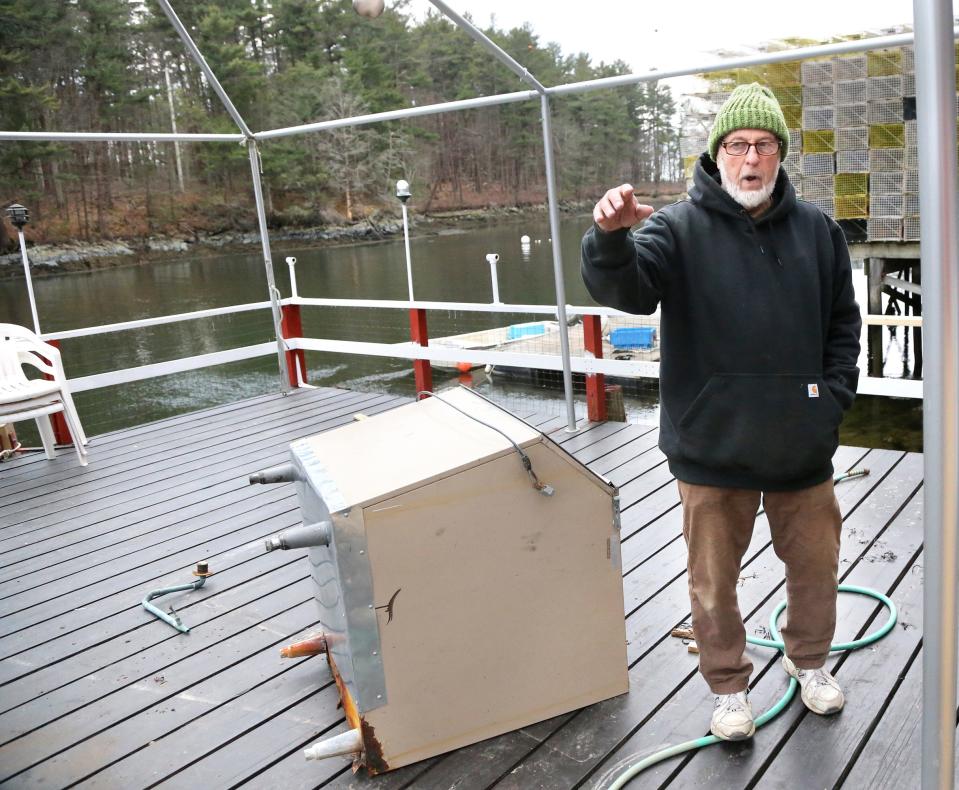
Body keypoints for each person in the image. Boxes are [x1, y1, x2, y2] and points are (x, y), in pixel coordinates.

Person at [581, 83, 862, 741]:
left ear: (779, 155)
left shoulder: (817, 230)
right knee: (712, 586)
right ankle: (728, 686)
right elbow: (628, 291)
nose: (750, 158)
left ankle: (810, 663)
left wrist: (829, 404)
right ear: (717, 155)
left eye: (763, 145)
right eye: (737, 145)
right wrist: (609, 239)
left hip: (800, 446)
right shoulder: (675, 228)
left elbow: (843, 327)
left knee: (816, 571)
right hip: (709, 448)